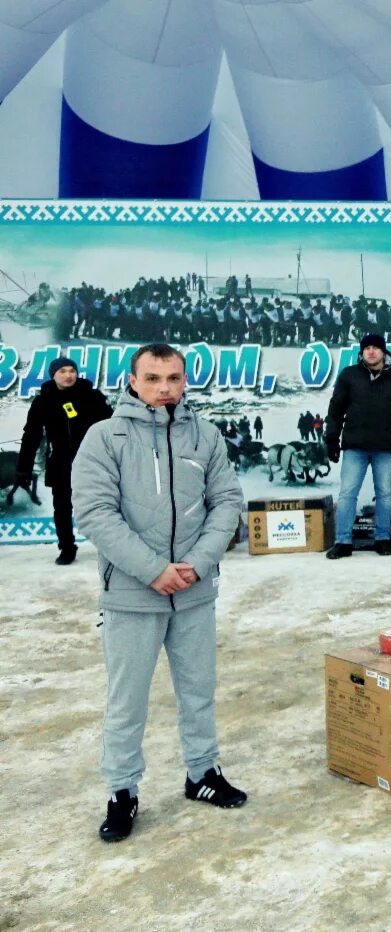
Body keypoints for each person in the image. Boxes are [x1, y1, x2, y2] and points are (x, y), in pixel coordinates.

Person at [71, 343, 247, 843]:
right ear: (132, 381)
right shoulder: (104, 438)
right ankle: (122, 791)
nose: (164, 388)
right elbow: (96, 513)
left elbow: (227, 502)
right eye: (152, 378)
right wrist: (152, 570)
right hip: (131, 596)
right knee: (127, 701)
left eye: (172, 378)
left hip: (193, 593)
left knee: (199, 691)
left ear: (185, 381)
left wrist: (196, 563)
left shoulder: (205, 435)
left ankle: (201, 774)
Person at [324, 333, 391, 558]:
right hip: (354, 446)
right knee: (347, 493)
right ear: (362, 351)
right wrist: (331, 439)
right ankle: (343, 541)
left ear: (383, 352)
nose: (371, 351)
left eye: (376, 347)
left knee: (385, 493)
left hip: (385, 447)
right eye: (367, 348)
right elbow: (335, 410)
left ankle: (383, 538)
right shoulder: (349, 375)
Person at [16, 356, 113, 564]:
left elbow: (112, 427)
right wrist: (23, 469)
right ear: (54, 375)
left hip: (93, 460)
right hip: (60, 461)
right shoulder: (44, 401)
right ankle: (67, 547)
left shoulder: (92, 396)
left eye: (72, 370)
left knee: (103, 505)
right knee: (62, 507)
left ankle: (112, 548)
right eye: (63, 371)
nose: (69, 375)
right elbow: (31, 435)